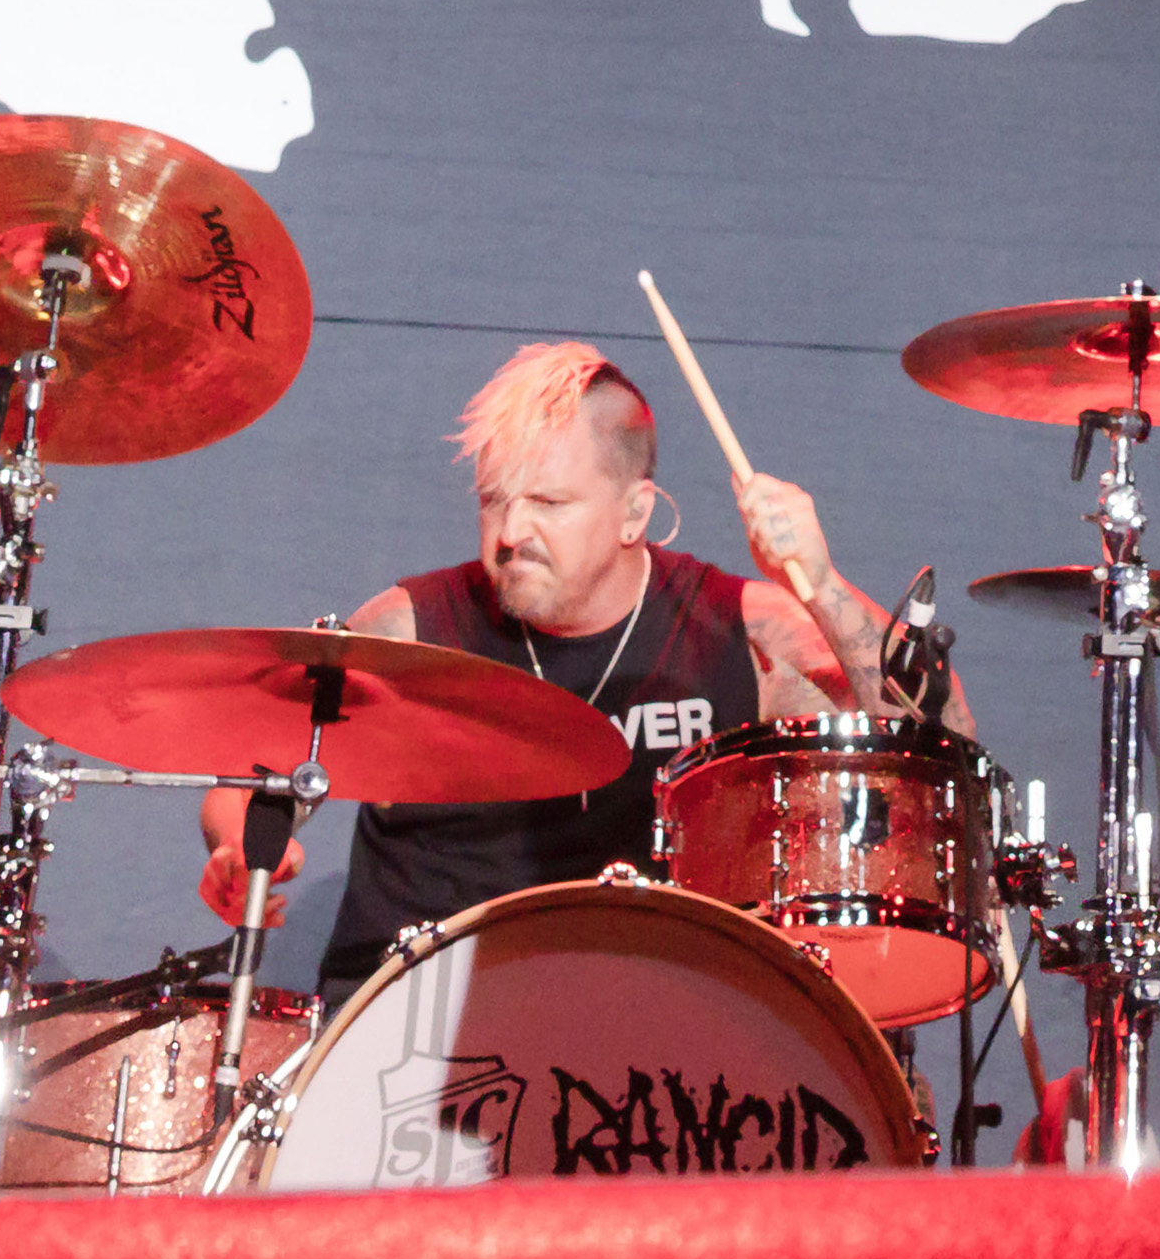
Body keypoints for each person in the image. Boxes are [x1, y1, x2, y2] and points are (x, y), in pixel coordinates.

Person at [201, 339, 906, 995]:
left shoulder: (744, 630)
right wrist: (240, 850)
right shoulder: (412, 633)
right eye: (494, 502)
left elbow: (935, 741)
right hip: (417, 1038)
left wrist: (824, 584)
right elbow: (245, 785)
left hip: (654, 1047)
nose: (510, 534)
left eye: (547, 503)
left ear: (634, 514)